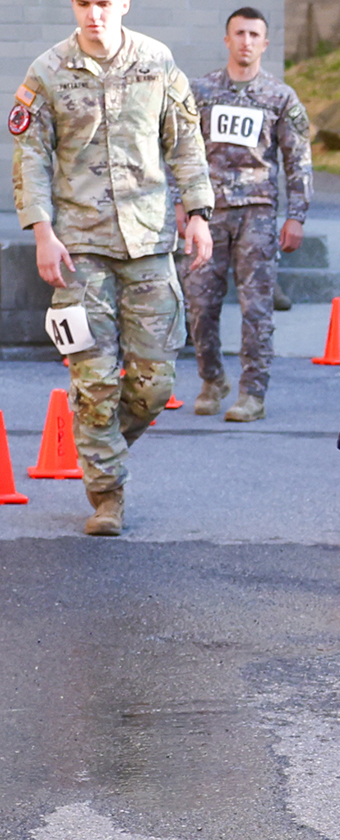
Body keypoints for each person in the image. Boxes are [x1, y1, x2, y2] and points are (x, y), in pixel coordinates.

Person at [11, 0, 213, 537]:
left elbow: (185, 140)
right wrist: (42, 233)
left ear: (122, 5)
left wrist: (197, 213)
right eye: (83, 3)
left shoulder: (157, 60)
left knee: (153, 383)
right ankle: (107, 495)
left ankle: (99, 445)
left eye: (104, 2)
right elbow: (31, 157)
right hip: (78, 249)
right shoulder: (48, 70)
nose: (94, 13)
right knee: (94, 381)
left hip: (147, 240)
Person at [184, 6, 311, 424]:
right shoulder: (200, 92)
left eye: (255, 35)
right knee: (200, 303)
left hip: (257, 213)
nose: (246, 42)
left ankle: (252, 393)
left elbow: (298, 160)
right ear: (227, 39)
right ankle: (212, 378)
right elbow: (180, 153)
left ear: (265, 42)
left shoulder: (280, 97)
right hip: (209, 214)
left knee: (256, 309)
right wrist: (181, 206)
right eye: (239, 33)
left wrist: (297, 214)